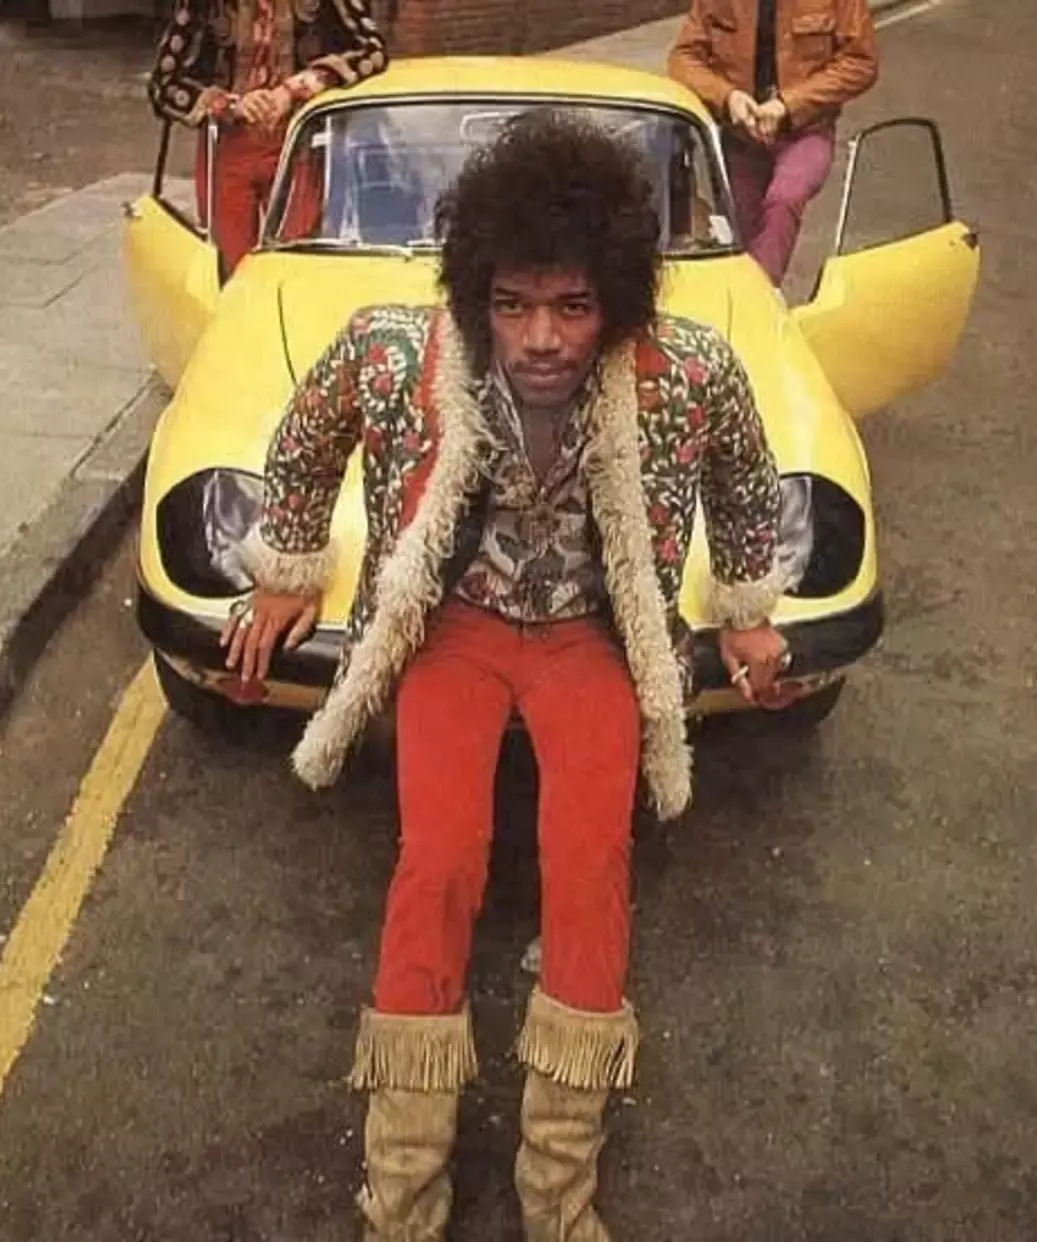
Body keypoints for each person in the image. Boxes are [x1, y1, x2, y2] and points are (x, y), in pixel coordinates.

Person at [220, 109, 788, 1239]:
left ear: (614, 298)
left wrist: (746, 611)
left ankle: (558, 1196)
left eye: (572, 306)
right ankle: (402, 1196)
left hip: (587, 638)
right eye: (514, 303)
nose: (540, 337)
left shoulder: (687, 372)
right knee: (436, 861)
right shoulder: (394, 351)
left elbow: (745, 469)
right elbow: (305, 435)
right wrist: (287, 568)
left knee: (591, 867)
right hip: (455, 632)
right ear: (477, 290)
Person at [148, 0, 388, 277]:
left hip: (299, 144)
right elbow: (163, 85)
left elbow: (373, 51)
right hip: (228, 150)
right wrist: (230, 104)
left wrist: (295, 89)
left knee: (297, 266)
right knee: (232, 272)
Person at [667, 0, 878, 286]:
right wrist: (728, 97)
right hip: (740, 138)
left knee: (784, 199)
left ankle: (758, 298)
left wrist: (787, 105)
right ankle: (739, 298)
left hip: (805, 131)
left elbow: (861, 62)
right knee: (736, 233)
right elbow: (683, 58)